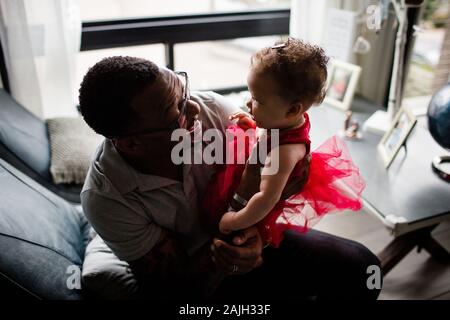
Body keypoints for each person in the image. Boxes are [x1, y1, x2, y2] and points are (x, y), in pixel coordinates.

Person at [79, 55, 382, 300]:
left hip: (253, 225)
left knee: (362, 266)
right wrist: (235, 250)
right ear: (132, 143)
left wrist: (260, 235)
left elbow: (281, 157)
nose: (194, 107)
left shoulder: (212, 110)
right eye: (178, 111)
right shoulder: (108, 198)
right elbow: (177, 287)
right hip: (204, 274)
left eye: (183, 89)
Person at [201, 38, 365, 248]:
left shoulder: (284, 153)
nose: (248, 103)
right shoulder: (285, 120)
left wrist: (234, 220)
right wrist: (253, 124)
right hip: (248, 179)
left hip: (247, 209)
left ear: (292, 110)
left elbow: (265, 199)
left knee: (221, 236)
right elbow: (271, 130)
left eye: (257, 100)